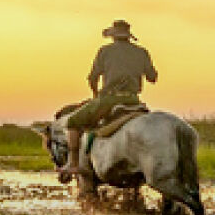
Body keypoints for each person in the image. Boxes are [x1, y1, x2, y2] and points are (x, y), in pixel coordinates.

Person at [61, 20, 158, 179]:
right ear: (128, 36)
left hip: (109, 99)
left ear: (113, 36)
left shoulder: (105, 51)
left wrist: (95, 94)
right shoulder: (142, 52)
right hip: (133, 101)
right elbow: (152, 78)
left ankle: (73, 163)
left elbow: (92, 78)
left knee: (72, 122)